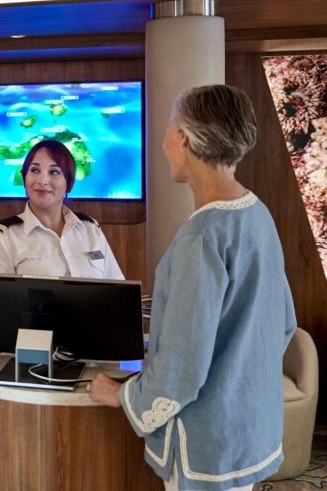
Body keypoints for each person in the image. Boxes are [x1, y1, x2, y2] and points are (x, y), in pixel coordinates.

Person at [89, 84, 296, 491]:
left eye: (168, 126)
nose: (163, 139)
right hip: (248, 429)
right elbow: (283, 323)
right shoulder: (258, 214)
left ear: (182, 137)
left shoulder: (202, 236)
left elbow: (181, 373)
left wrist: (121, 396)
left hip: (207, 444)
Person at [0, 139, 124, 279]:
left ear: (69, 183)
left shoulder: (91, 229)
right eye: (35, 170)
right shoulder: (4, 237)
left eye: (54, 172)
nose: (42, 180)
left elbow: (118, 292)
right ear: (24, 178)